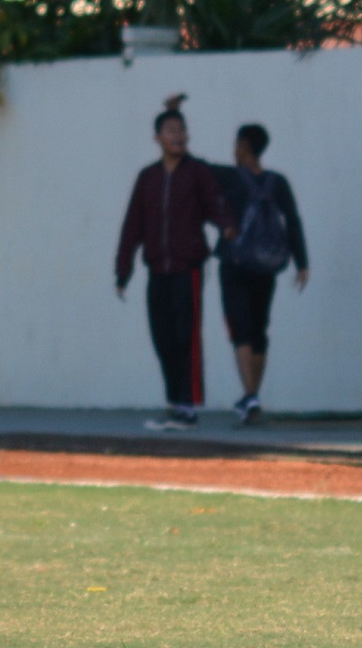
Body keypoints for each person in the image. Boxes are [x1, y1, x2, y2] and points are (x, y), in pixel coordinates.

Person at [114, 96, 232, 428]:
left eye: (181, 130)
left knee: (186, 335)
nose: (177, 136)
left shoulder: (197, 172)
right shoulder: (148, 177)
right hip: (157, 270)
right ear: (157, 137)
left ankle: (189, 403)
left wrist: (227, 226)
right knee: (162, 336)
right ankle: (175, 400)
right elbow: (132, 225)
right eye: (170, 130)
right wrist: (123, 270)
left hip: (188, 269)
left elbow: (216, 204)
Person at [212, 122, 309, 423]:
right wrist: (301, 262)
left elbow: (193, 165)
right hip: (266, 265)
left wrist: (172, 113)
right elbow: (292, 220)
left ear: (243, 146)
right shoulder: (277, 182)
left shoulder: (229, 177)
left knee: (239, 329)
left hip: (235, 263)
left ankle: (250, 396)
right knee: (259, 330)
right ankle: (252, 395)